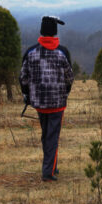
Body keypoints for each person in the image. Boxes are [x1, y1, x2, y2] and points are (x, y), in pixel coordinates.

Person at [20, 16, 74, 182]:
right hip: (57, 103)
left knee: (46, 135)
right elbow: (69, 77)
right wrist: (65, 92)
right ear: (55, 32)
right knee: (52, 136)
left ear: (42, 31)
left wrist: (27, 95)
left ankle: (51, 166)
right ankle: (48, 172)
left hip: (39, 102)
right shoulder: (62, 52)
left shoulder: (31, 52)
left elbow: (23, 78)